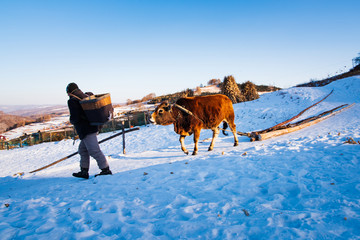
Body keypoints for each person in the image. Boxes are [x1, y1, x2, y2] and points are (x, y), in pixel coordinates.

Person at [66, 83, 112, 179]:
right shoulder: (86, 96)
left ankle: (105, 169)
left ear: (69, 92)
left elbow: (75, 117)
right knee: (82, 150)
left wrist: (71, 121)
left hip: (86, 129)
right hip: (92, 127)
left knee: (94, 151)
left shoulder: (72, 101)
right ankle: (84, 171)